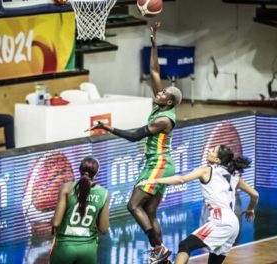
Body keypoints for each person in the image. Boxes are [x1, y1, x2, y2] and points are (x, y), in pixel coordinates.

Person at [90, 22, 182, 264]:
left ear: (169, 103)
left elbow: (134, 136)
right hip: (158, 162)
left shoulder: (163, 118)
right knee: (149, 211)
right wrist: (154, 44)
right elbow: (154, 72)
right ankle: (161, 255)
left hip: (159, 163)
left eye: (163, 94)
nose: (158, 93)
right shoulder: (162, 104)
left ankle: (158, 249)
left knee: (133, 206)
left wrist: (107, 127)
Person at [137, 145, 259, 264]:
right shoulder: (233, 176)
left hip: (221, 221)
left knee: (185, 245)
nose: (209, 150)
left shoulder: (206, 170)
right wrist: (250, 210)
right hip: (233, 225)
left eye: (213, 150)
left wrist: (154, 180)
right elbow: (255, 195)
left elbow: (181, 179)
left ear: (217, 159)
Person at [50, 156, 110, 264]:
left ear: (79, 170)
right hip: (88, 250)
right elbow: (104, 229)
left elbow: (56, 222)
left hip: (65, 248)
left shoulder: (66, 188)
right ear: (95, 174)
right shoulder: (104, 193)